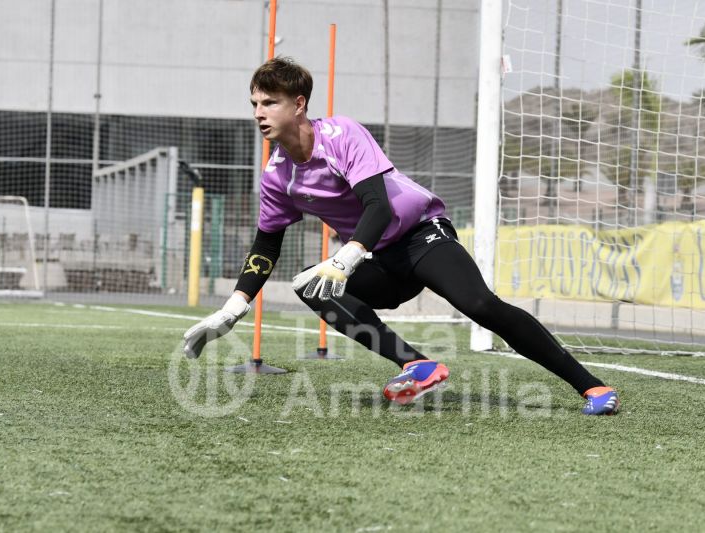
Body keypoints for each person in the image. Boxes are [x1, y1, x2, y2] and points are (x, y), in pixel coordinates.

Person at [183, 57, 619, 415]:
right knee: (309, 286)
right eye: (255, 103)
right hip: (380, 259)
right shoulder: (278, 175)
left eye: (269, 102)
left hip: (420, 235)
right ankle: (418, 366)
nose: (259, 112)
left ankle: (592, 387)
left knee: (480, 305)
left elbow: (380, 206)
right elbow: (266, 243)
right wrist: (232, 308)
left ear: (298, 104)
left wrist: (347, 256)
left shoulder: (341, 134)